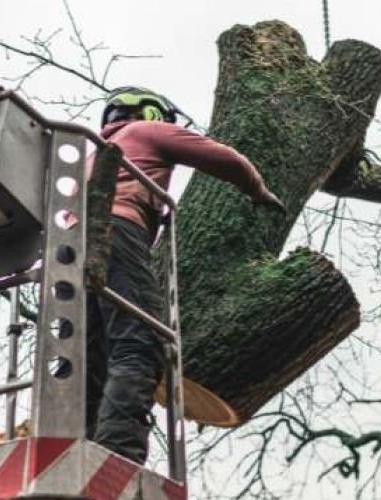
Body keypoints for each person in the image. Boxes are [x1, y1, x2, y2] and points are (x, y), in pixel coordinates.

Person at [85, 86, 285, 464]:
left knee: (86, 355)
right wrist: (258, 190)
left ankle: (77, 441)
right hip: (116, 232)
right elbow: (225, 159)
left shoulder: (90, 156)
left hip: (69, 250)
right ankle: (117, 457)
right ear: (152, 114)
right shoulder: (146, 132)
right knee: (138, 345)